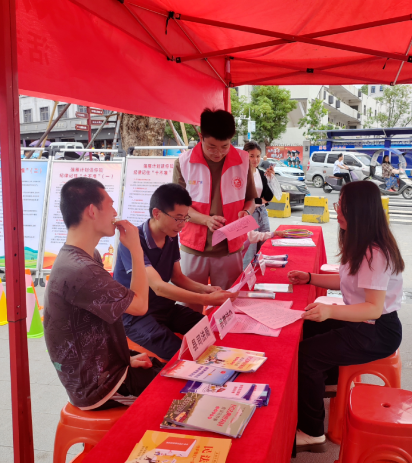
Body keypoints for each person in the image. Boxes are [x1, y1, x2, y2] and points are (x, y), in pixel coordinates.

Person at [287, 181, 404, 452]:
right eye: (339, 204)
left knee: (307, 355)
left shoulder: (375, 253)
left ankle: (312, 432)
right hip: (364, 321)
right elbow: (346, 281)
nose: (337, 210)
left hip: (377, 330)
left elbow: (373, 308)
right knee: (308, 327)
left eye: (342, 206)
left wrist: (330, 310)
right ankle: (330, 382)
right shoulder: (360, 243)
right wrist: (310, 277)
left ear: (360, 211)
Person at [44, 177, 163, 411]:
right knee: (177, 391)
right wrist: (136, 250)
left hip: (104, 369)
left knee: (166, 369)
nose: (115, 212)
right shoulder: (80, 269)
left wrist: (125, 358)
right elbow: (140, 306)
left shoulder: (83, 257)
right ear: (92, 211)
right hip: (99, 387)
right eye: (110, 205)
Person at [113, 183, 237, 361]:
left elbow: (178, 277)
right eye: (178, 218)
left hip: (165, 308)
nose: (182, 225)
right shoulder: (132, 240)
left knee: (211, 327)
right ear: (157, 213)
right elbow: (158, 287)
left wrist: (207, 289)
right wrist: (206, 300)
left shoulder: (171, 236)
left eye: (185, 218)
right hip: (136, 317)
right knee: (182, 353)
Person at [173, 108, 257, 311]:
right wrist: (206, 220)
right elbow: (177, 207)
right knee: (189, 308)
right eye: (211, 147)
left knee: (228, 307)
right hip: (193, 247)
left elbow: (251, 200)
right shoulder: (183, 162)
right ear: (201, 136)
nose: (218, 153)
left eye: (224, 146)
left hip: (230, 248)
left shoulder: (243, 161)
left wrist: (247, 212)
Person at [242, 141, 276, 269]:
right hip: (249, 214)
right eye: (251, 156)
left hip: (262, 212)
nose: (255, 159)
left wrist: (270, 178)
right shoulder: (241, 174)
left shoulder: (261, 173)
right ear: (244, 155)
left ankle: (261, 275)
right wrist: (259, 201)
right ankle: (246, 276)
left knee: (264, 246)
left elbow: (268, 197)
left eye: (258, 156)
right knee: (249, 251)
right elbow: (243, 199)